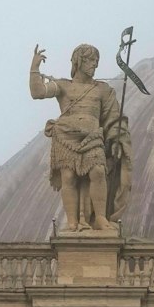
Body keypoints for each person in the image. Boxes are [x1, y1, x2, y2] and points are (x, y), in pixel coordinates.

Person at [31, 43, 132, 232]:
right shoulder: (63, 86)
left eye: (96, 61)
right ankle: (72, 222)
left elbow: (114, 118)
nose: (94, 65)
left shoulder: (103, 90)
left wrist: (117, 139)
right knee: (68, 177)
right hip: (65, 137)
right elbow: (37, 92)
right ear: (79, 61)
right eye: (90, 60)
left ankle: (101, 217)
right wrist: (34, 69)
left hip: (92, 137)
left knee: (98, 172)